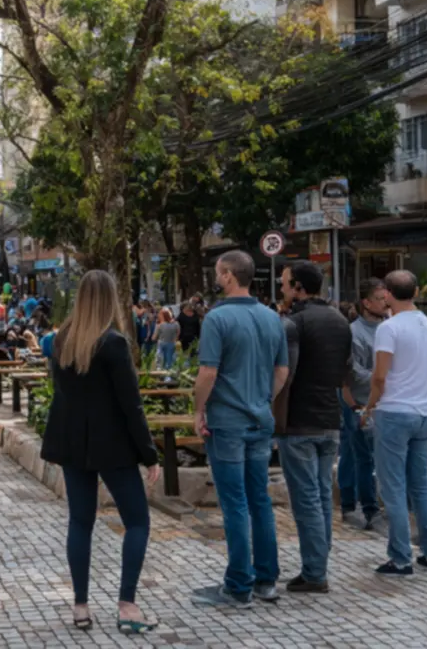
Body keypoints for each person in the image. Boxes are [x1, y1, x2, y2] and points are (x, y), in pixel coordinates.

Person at [39, 270, 161, 634]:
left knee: (80, 522)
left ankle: (80, 607)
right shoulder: (114, 343)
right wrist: (149, 454)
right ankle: (127, 605)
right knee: (137, 521)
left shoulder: (62, 340)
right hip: (114, 447)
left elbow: (62, 396)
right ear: (111, 299)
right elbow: (131, 405)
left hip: (73, 444)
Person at [191, 251, 289, 609]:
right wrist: (263, 399)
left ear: (229, 276)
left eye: (219, 272)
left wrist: (198, 409)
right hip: (259, 419)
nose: (217, 278)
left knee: (235, 504)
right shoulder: (271, 317)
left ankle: (238, 585)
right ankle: (266, 579)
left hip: (227, 421)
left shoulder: (217, 318)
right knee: (259, 499)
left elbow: (208, 373)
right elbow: (282, 371)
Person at [274, 262, 351, 594]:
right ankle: (319, 561)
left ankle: (315, 572)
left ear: (298, 287)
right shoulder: (341, 320)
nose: (281, 289)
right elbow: (347, 370)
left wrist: (267, 403)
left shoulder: (294, 322)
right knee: (321, 495)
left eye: (284, 284)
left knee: (306, 499)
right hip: (330, 418)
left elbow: (284, 373)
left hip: (299, 420)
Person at [364, 270, 427, 575]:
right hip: (425, 411)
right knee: (420, 485)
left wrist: (369, 406)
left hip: (395, 411)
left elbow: (380, 376)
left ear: (386, 294)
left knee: (393, 487)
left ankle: (400, 557)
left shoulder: (390, 328)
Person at [341, 279, 388, 530]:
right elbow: (353, 371)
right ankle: (365, 508)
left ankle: (355, 503)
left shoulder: (389, 328)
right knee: (360, 456)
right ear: (366, 302)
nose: (385, 302)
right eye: (380, 298)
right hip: (358, 401)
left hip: (384, 402)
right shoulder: (354, 332)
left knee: (361, 454)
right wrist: (382, 377)